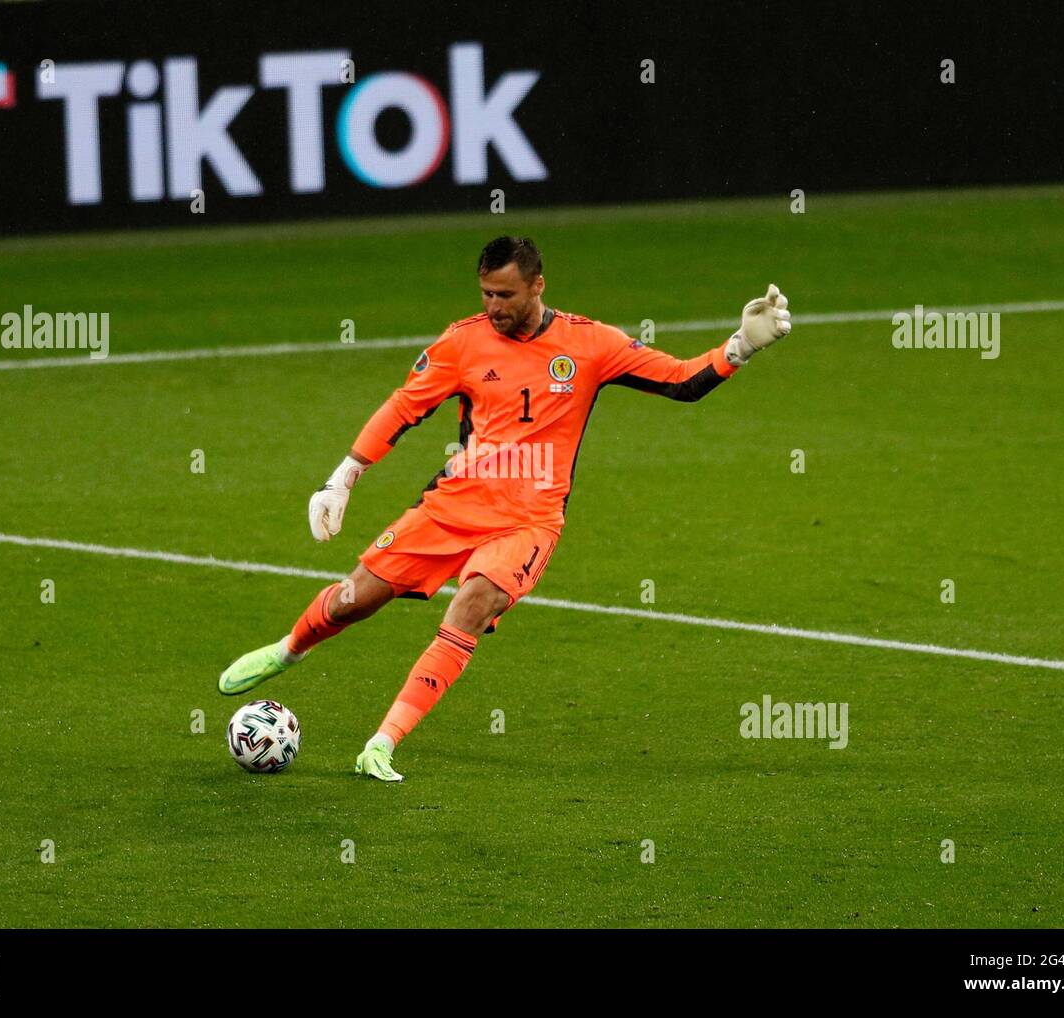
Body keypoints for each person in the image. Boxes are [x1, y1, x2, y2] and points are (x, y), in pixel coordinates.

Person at [218, 236, 792, 781]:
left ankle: (382, 743)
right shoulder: (461, 343)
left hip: (528, 521)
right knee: (350, 601)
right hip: (453, 505)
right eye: (486, 293)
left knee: (471, 605)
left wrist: (739, 346)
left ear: (537, 286)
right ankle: (288, 651)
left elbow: (679, 382)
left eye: (506, 295)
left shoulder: (590, 343)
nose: (493, 306)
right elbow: (403, 409)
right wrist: (343, 478)